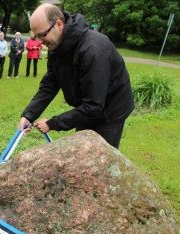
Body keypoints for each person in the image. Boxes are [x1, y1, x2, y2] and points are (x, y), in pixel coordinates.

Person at [18, 3, 134, 149]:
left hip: (111, 111)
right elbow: (49, 85)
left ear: (59, 25)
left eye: (42, 35)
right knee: (81, 149)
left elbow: (94, 106)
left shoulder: (93, 50)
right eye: (36, 37)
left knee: (100, 157)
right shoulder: (56, 47)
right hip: (87, 107)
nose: (39, 42)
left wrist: (52, 123)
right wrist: (28, 115)